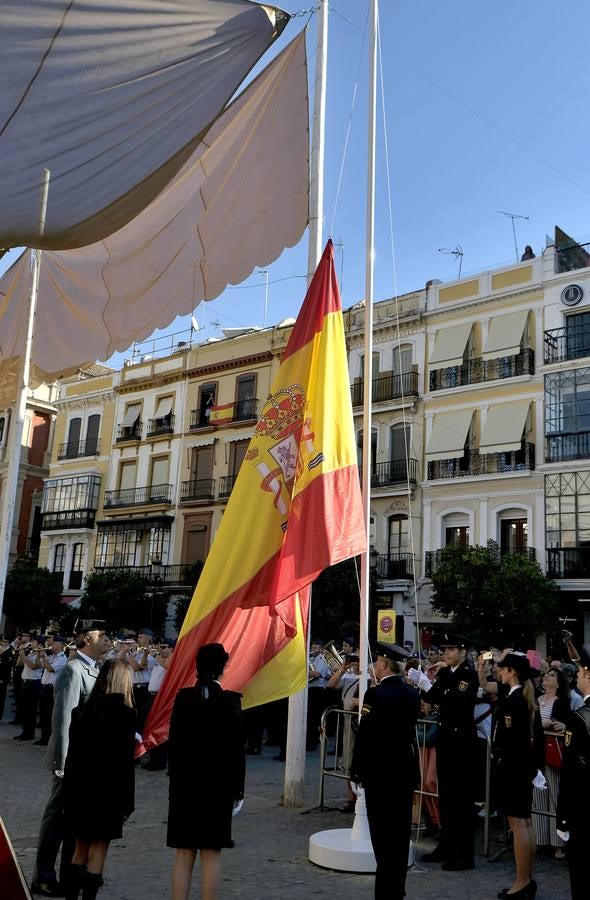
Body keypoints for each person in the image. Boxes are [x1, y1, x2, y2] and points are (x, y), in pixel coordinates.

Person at [33, 627, 111, 898]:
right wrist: (62, 762)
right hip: (70, 759)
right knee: (56, 820)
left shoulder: (96, 669)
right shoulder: (73, 669)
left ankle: (70, 874)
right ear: (88, 640)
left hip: (86, 761)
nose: (109, 641)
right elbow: (63, 719)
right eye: (104, 637)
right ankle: (42, 876)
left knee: (75, 821)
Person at [167, 642, 245, 900]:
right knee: (211, 854)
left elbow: (174, 745)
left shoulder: (182, 698)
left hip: (185, 786)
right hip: (217, 787)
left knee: (184, 852)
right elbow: (236, 752)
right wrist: (238, 790)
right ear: (223, 667)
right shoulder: (231, 701)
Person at [61, 659, 136, 900]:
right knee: (98, 852)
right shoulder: (125, 715)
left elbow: (72, 759)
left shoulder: (80, 712)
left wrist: (67, 794)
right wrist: (128, 802)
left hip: (80, 791)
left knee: (79, 850)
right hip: (109, 794)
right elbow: (125, 765)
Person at [350, 643, 420, 900]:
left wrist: (355, 771)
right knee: (400, 838)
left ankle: (385, 894)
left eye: (376, 661)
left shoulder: (375, 695)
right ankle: (397, 890)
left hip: (379, 774)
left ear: (383, 664)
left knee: (382, 838)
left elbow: (366, 736)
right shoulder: (412, 695)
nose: (374, 665)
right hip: (403, 772)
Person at [408, 632, 479, 870]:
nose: (445, 653)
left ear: (462, 651)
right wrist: (423, 683)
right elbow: (433, 696)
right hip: (446, 737)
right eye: (444, 649)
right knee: (447, 796)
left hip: (461, 740)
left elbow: (456, 700)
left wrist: (430, 687)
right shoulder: (446, 673)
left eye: (450, 649)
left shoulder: (468, 674)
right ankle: (447, 845)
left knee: (461, 800)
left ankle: (464, 854)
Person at [494, 652, 544, 899]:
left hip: (514, 770)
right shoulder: (520, 699)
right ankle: (526, 880)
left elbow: (513, 742)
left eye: (503, 668)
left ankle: (522, 881)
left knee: (519, 825)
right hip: (521, 770)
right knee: (525, 823)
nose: (500, 671)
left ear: (512, 672)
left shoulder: (514, 703)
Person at [557, 644, 590, 900]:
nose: (577, 676)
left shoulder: (579, 719)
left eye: (580, 671)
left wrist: (563, 816)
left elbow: (570, 773)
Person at [533, 667, 570, 856]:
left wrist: (545, 723)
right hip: (537, 752)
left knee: (555, 796)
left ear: (559, 682)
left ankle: (558, 844)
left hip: (553, 753)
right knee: (537, 794)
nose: (547, 676)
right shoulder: (537, 699)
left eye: (553, 675)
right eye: (547, 674)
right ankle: (540, 839)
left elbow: (559, 723)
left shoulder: (562, 701)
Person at [37, 636, 68, 746]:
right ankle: (43, 738)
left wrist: (44, 657)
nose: (52, 645)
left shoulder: (62, 658)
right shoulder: (51, 656)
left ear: (61, 646)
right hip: (44, 688)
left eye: (55, 643)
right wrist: (39, 655)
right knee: (43, 714)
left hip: (52, 689)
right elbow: (41, 665)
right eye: (52, 643)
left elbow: (50, 669)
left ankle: (48, 739)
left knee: (49, 714)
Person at [14, 635, 44, 740]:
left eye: (34, 642)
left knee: (31, 709)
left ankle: (29, 734)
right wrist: (21, 654)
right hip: (25, 682)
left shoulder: (41, 654)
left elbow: (33, 666)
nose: (32, 644)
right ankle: (24, 731)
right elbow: (19, 664)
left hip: (34, 683)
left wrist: (23, 656)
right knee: (24, 709)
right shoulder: (31, 653)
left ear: (40, 644)